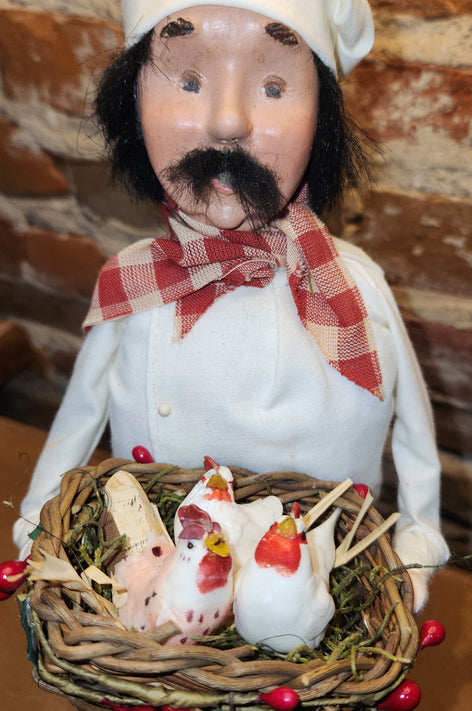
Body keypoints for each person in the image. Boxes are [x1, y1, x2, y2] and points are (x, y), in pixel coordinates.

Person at [14, 0, 448, 611]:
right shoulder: (139, 283)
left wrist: (417, 545)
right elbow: (78, 420)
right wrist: (37, 524)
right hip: (160, 604)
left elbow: (417, 438)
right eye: (190, 81)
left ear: (322, 119)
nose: (226, 122)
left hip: (329, 594)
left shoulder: (352, 293)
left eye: (273, 88)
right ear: (131, 103)